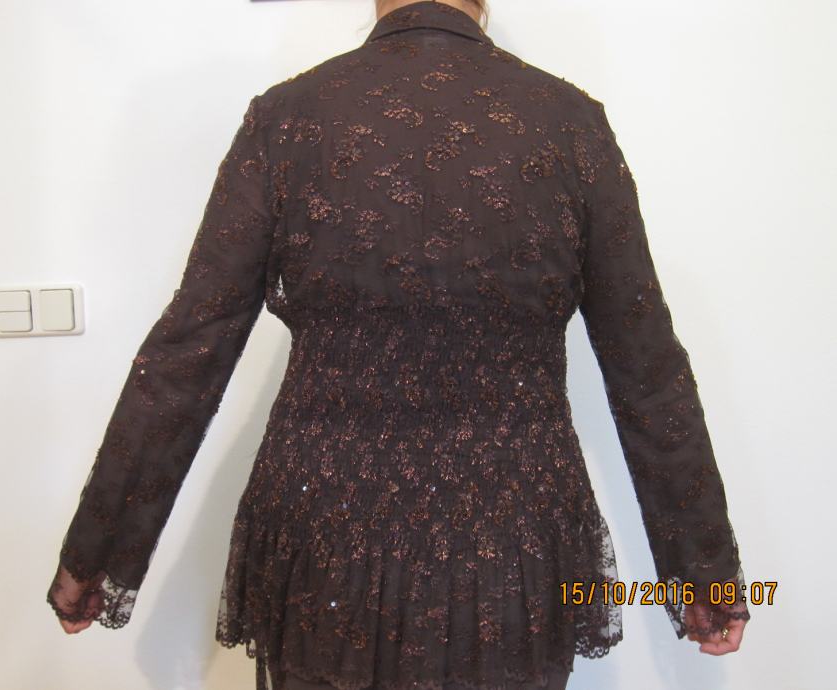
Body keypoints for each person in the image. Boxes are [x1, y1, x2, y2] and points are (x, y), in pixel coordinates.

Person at [45, 1, 751, 688]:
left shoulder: (288, 118)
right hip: (511, 548)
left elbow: (189, 352)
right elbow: (647, 368)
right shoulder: (569, 123)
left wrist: (96, 554)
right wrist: (706, 575)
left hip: (326, 545)